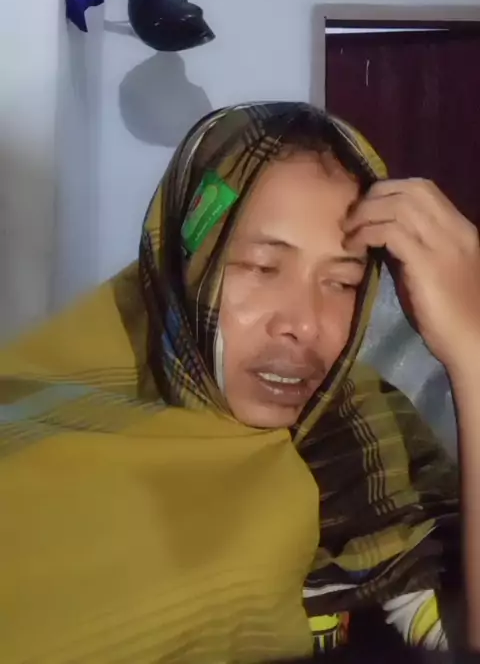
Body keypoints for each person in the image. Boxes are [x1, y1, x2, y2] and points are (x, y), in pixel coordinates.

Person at [0, 101, 478, 663]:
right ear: (188, 265)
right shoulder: (34, 433)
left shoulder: (364, 443)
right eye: (262, 268)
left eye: (343, 283)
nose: (304, 324)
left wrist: (472, 354)